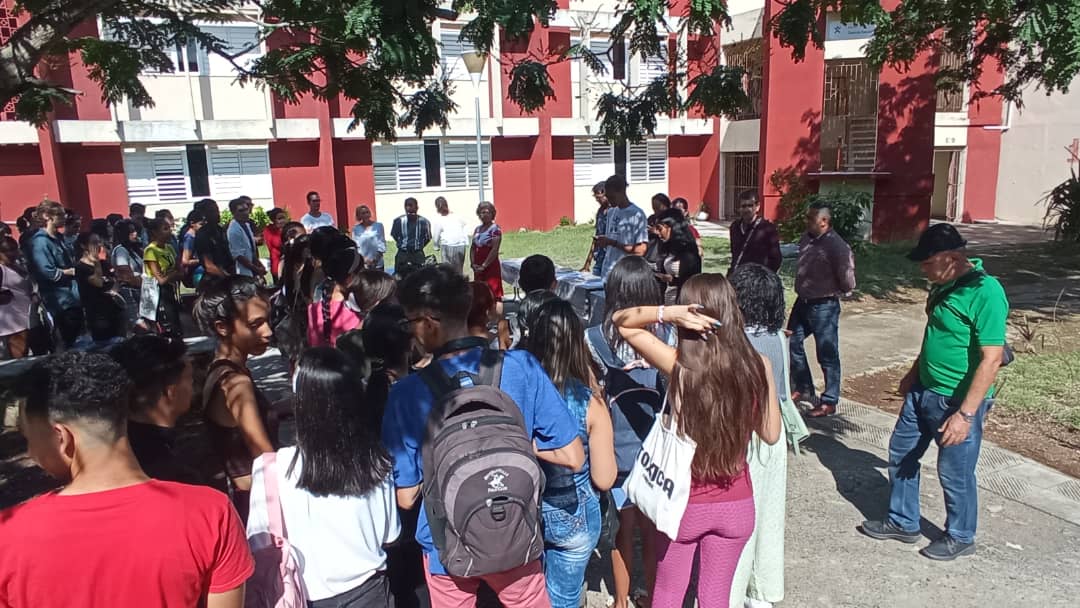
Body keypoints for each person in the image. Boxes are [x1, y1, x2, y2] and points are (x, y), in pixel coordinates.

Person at [382, 265, 585, 608]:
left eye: (410, 322)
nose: (410, 332)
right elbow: (573, 456)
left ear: (429, 322)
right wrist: (518, 441)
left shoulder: (406, 394)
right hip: (516, 532)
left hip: (447, 545)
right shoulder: (523, 366)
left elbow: (405, 497)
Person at [0, 352, 253, 607]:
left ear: (60, 438)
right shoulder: (211, 513)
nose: (31, 452)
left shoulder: (7, 536)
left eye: (29, 438)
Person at [612, 275, 782, 608]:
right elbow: (771, 433)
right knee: (715, 598)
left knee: (667, 594)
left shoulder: (681, 367)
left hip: (684, 504)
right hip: (736, 505)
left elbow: (624, 323)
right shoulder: (758, 366)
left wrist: (669, 312)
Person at [861, 224, 1009, 561]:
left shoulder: (986, 293)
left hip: (957, 401)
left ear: (952, 258)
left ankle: (960, 535)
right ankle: (903, 521)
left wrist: (966, 415)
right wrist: (913, 375)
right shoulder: (943, 286)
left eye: (928, 263)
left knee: (954, 471)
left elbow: (992, 359)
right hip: (922, 391)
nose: (922, 269)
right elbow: (934, 336)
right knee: (901, 453)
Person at [247, 347, 401, 606]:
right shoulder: (376, 460)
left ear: (300, 401)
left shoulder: (270, 468)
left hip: (302, 597)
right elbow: (390, 536)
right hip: (371, 594)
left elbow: (260, 544)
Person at [583, 255, 665, 608]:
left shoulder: (593, 338)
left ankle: (619, 600)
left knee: (621, 532)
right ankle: (651, 595)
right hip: (657, 453)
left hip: (615, 452)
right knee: (651, 532)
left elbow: (592, 394)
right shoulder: (665, 334)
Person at [526, 298, 617, 608]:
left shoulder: (516, 393)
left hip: (523, 510)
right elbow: (605, 479)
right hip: (574, 516)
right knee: (564, 599)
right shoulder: (590, 403)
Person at [728, 263, 791, 608]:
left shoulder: (736, 341)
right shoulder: (777, 338)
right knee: (768, 518)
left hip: (746, 436)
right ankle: (763, 591)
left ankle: (734, 592)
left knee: (741, 522)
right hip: (774, 434)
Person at [194, 275, 278, 521]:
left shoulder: (220, 369)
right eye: (255, 325)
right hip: (255, 504)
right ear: (223, 327)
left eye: (268, 320)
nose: (268, 331)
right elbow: (266, 459)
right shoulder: (236, 383)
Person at [789, 203, 856, 417]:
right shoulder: (807, 238)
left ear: (824, 222)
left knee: (826, 353)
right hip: (803, 302)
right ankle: (803, 386)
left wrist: (838, 290)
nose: (807, 222)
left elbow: (848, 279)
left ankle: (829, 400)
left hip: (824, 306)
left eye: (811, 219)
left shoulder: (837, 246)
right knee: (790, 340)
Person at [110, 335, 204, 485]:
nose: (194, 385)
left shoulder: (111, 447)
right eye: (190, 378)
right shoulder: (174, 473)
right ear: (170, 391)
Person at [27, 200, 82, 348]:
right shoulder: (40, 242)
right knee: (65, 340)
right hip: (59, 299)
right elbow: (48, 272)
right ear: (47, 216)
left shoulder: (59, 238)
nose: (64, 218)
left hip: (73, 295)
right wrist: (70, 271)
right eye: (60, 215)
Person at [73, 232, 125, 344]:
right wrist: (96, 261)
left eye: (99, 242)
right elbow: (98, 282)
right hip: (98, 315)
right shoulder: (81, 267)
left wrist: (114, 290)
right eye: (94, 243)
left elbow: (116, 279)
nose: (99, 245)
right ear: (84, 246)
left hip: (114, 311)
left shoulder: (104, 263)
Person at [308, 245, 364, 348]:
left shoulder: (314, 308)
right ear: (351, 276)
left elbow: (313, 343)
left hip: (322, 361)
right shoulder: (358, 309)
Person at [596, 175, 648, 280]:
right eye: (608, 196)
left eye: (612, 197)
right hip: (608, 272)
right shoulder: (611, 211)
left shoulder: (636, 214)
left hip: (626, 274)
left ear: (621, 192)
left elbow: (640, 250)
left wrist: (613, 243)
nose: (609, 200)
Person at [144, 218, 185, 338]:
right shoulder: (150, 251)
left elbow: (178, 267)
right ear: (154, 232)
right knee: (167, 322)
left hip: (171, 289)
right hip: (158, 292)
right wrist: (174, 274)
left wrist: (176, 273)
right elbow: (160, 279)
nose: (169, 232)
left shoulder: (169, 248)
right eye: (165, 229)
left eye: (170, 228)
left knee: (176, 321)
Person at [654, 208, 703, 304]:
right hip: (668, 299)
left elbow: (692, 281)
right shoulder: (668, 247)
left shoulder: (688, 252)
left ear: (671, 227)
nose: (658, 234)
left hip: (683, 302)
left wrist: (673, 280)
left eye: (660, 229)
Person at [729, 190, 781, 274]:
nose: (746, 209)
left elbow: (776, 259)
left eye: (750, 205)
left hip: (758, 278)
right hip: (738, 276)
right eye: (743, 206)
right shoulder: (735, 227)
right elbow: (734, 254)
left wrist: (764, 277)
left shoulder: (767, 228)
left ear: (757, 206)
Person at [0, 236, 33, 359]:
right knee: (18, 358)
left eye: (14, 249)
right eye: (8, 251)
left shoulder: (17, 266)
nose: (12, 253)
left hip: (26, 316)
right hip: (12, 322)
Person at [111, 219, 146, 332]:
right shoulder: (121, 250)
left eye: (135, 231)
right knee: (139, 325)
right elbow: (125, 275)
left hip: (140, 291)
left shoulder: (132, 249)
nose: (135, 234)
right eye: (131, 232)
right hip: (129, 292)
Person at [391, 197, 432, 278]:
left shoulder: (424, 222)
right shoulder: (398, 221)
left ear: (417, 207)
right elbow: (395, 235)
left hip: (417, 254)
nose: (408, 208)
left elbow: (428, 238)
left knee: (419, 277)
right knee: (399, 277)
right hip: (403, 254)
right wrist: (404, 244)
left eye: (411, 205)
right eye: (406, 206)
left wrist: (418, 246)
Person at [471, 201, 504, 300]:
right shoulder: (477, 229)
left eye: (487, 212)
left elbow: (494, 249)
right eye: (482, 212)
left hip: (490, 266)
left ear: (492, 214)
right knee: (480, 294)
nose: (484, 215)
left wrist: (484, 266)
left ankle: (496, 315)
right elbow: (473, 247)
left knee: (494, 294)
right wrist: (473, 263)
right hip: (477, 266)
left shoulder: (495, 229)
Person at [195, 198, 235, 278]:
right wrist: (227, 278)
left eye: (217, 210)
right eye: (212, 211)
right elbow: (209, 266)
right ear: (204, 215)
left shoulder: (220, 230)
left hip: (229, 272)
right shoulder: (203, 235)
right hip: (214, 280)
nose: (217, 213)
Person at [227, 197, 265, 279]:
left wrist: (260, 265)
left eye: (246, 209)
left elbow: (251, 250)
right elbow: (238, 256)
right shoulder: (233, 230)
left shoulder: (247, 225)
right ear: (233, 212)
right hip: (242, 271)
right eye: (241, 211)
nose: (245, 213)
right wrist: (256, 269)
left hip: (253, 268)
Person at [431, 196, 469, 273]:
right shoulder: (457, 216)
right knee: (458, 270)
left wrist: (436, 246)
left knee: (447, 271)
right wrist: (466, 241)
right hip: (460, 246)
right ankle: (459, 284)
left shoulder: (439, 220)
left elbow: (436, 238)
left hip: (447, 245)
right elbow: (465, 226)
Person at [468, 281, 510, 349]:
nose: (495, 305)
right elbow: (508, 358)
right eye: (494, 302)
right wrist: (503, 341)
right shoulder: (493, 342)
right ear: (487, 311)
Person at [581, 181, 609, 275]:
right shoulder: (600, 212)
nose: (597, 200)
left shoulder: (615, 211)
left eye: (598, 197)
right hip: (599, 257)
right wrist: (587, 264)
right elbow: (596, 237)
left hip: (610, 259)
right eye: (595, 197)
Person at [352, 204, 387, 271]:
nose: (366, 215)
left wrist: (375, 260)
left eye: (367, 212)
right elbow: (356, 246)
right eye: (363, 213)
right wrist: (365, 260)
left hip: (377, 263)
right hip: (363, 264)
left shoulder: (378, 226)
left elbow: (382, 244)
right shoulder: (356, 229)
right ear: (359, 216)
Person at [181, 209, 207, 287]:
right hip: (196, 272)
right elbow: (185, 261)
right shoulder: (190, 237)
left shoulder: (198, 235)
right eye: (201, 224)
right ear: (192, 223)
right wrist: (202, 260)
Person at [645, 193, 672, 266]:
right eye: (653, 208)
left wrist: (659, 233)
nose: (655, 211)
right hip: (650, 256)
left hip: (665, 258)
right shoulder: (652, 219)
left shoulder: (671, 220)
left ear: (665, 206)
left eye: (657, 208)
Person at [263, 207, 288, 283]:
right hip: (277, 264)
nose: (283, 220)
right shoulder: (269, 230)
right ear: (273, 220)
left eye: (284, 218)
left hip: (289, 263)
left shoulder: (288, 228)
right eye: (279, 218)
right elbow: (276, 244)